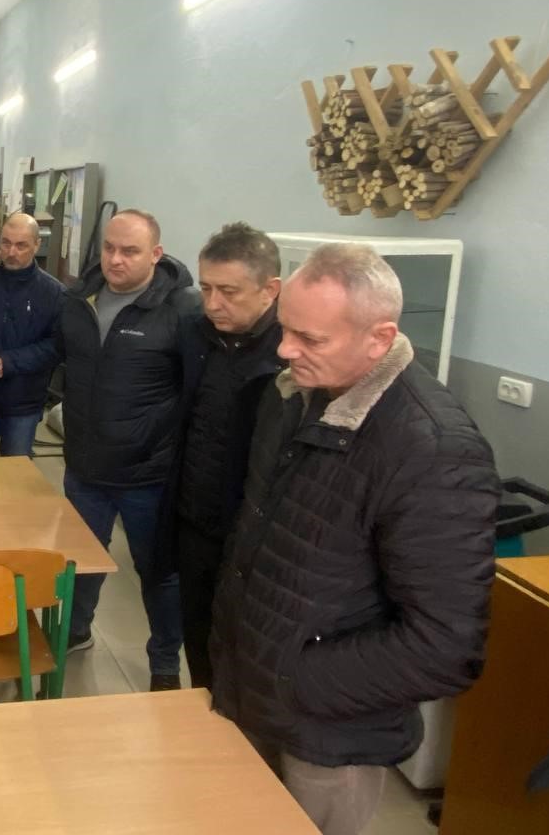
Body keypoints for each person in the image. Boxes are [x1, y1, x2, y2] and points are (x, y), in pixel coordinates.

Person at [210, 243, 499, 835]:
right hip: (252, 695)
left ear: (379, 338)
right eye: (285, 329)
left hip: (326, 736)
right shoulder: (295, 394)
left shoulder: (434, 449)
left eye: (309, 338)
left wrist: (291, 678)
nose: (285, 350)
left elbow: (446, 647)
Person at [57, 209, 199, 691]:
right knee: (81, 563)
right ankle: (76, 632)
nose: (116, 259)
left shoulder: (182, 310)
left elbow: (195, 390)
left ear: (156, 254)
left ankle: (164, 664)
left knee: (158, 573)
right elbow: (58, 360)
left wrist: (162, 441)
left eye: (130, 251)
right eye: (110, 248)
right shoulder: (79, 299)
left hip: (148, 475)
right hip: (85, 470)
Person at [160, 223, 283, 691]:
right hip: (195, 522)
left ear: (270, 290)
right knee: (198, 636)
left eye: (229, 292)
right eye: (207, 288)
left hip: (253, 537)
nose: (213, 304)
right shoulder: (197, 336)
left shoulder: (289, 356)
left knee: (246, 651)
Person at [0, 213, 63, 457]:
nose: (11, 252)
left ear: (37, 245)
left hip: (23, 402)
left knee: (16, 470)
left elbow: (56, 346)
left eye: (21, 245)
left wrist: (9, 362)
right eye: (6, 243)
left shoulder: (54, 293)